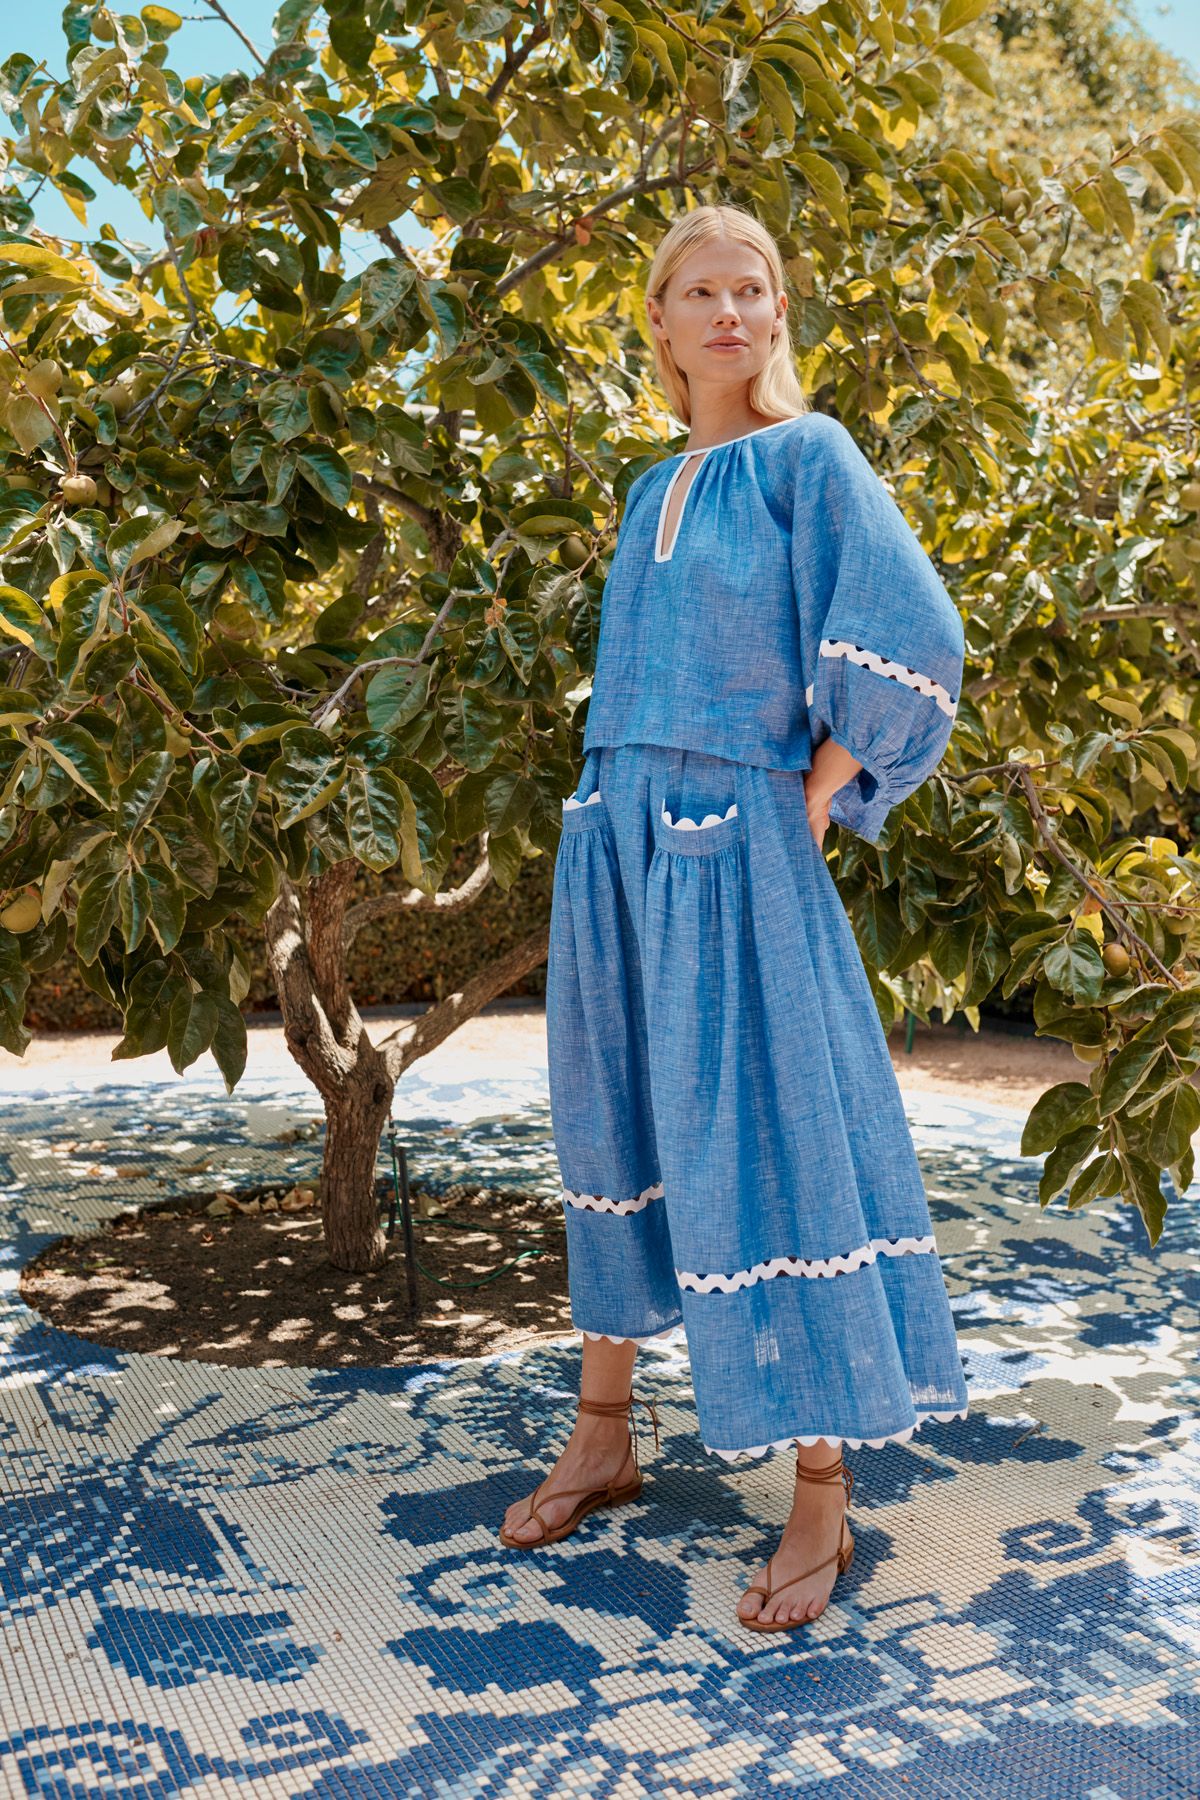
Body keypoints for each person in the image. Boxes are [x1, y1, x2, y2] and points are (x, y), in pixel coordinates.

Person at [498, 202, 969, 1633]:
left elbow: (915, 634)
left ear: (777, 314)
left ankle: (821, 1484)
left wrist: (820, 791)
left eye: (749, 289)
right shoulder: (651, 488)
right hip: (616, 840)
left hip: (734, 844)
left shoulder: (807, 460)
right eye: (695, 292)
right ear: (658, 322)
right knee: (618, 1117)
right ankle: (604, 1430)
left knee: (765, 1125)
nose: (724, 313)